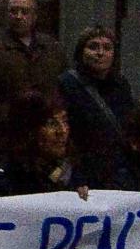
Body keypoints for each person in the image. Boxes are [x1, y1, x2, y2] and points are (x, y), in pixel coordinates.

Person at [0, 0, 68, 165]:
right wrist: (8, 116)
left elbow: (64, 87)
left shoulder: (52, 48)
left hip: (47, 135)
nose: (18, 16)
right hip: (5, 137)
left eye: (24, 11)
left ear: (35, 16)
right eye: (13, 11)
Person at [0, 89, 92, 200]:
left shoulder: (75, 177)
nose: (62, 131)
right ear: (29, 131)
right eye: (51, 124)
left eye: (64, 121)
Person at [57, 25, 136, 187]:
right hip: (82, 167)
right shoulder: (66, 83)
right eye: (93, 47)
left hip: (117, 167)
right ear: (81, 52)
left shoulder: (121, 84)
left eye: (107, 48)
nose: (100, 53)